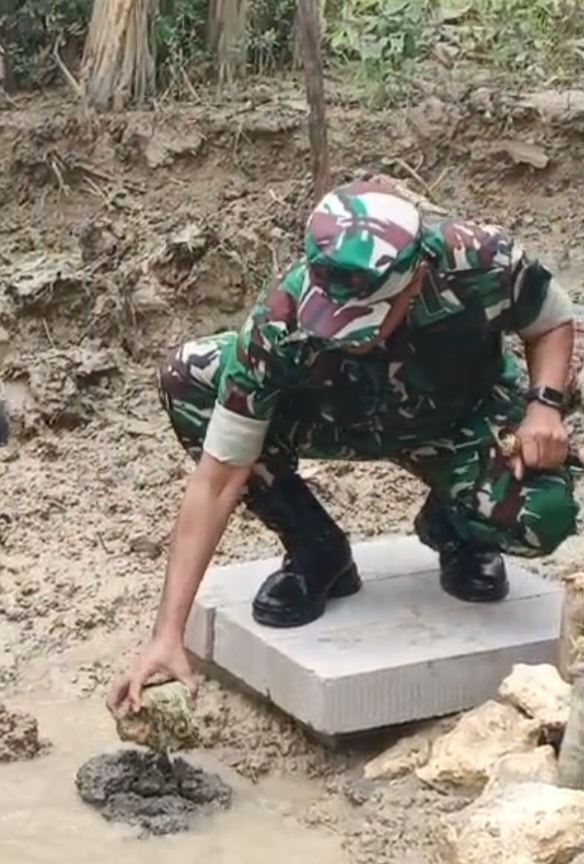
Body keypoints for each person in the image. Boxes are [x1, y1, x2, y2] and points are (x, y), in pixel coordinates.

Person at [106, 175, 578, 714]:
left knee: (543, 513)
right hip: (338, 416)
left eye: (365, 320)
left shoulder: (481, 258)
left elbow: (551, 320)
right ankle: (316, 549)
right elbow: (215, 482)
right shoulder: (279, 321)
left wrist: (544, 406)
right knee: (191, 378)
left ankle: (458, 527)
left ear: (416, 279)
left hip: (457, 418)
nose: (347, 335)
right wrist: (167, 635)